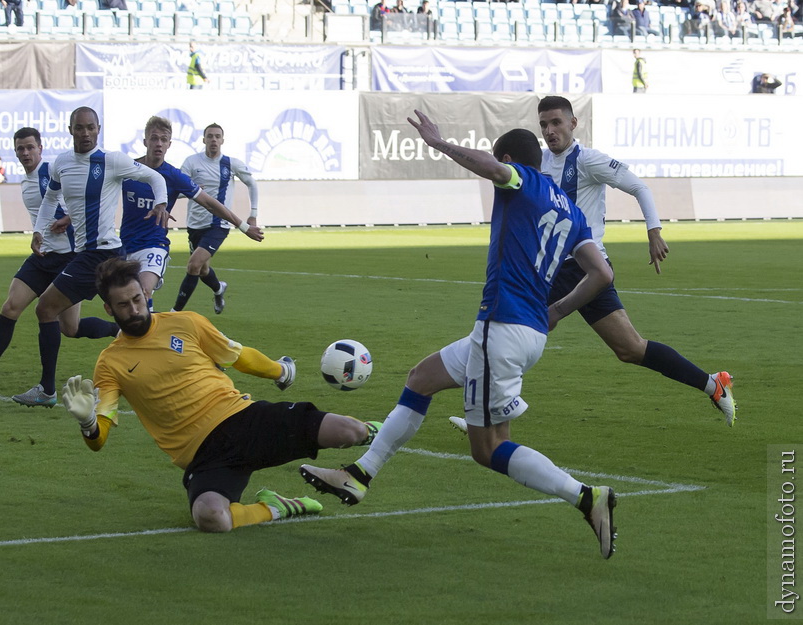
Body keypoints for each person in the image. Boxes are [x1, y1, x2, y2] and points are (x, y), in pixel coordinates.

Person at [300, 111, 619, 558]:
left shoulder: (521, 179)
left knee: (488, 449)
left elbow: (493, 169)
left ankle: (586, 497)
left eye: (500, 163)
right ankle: (359, 473)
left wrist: (439, 143)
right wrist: (560, 309)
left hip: (502, 327)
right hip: (525, 331)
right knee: (421, 378)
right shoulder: (571, 209)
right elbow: (602, 272)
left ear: (509, 159)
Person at [60, 258, 382, 532]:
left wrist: (279, 371)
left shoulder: (186, 323)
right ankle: (278, 507)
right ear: (108, 308)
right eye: (122, 305)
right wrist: (89, 422)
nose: (133, 310)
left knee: (349, 432)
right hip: (203, 456)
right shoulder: (110, 363)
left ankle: (387, 431)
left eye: (136, 299)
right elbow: (99, 437)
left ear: (145, 293)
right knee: (211, 517)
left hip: (242, 419)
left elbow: (236, 356)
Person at [527, 95, 736, 424]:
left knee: (629, 349)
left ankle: (714, 384)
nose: (549, 130)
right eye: (543, 125)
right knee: (515, 330)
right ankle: (487, 413)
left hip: (587, 270)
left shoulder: (588, 160)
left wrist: (653, 231)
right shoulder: (537, 160)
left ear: (572, 123)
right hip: (551, 268)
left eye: (555, 122)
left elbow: (639, 186)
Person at [11, 106, 169, 408]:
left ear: (98, 129)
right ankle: (166, 358)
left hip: (101, 253)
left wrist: (160, 203)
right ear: (71, 130)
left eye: (90, 128)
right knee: (80, 325)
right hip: (88, 255)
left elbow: (154, 177)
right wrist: (38, 231)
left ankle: (46, 390)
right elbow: (50, 199)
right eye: (79, 128)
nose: (85, 133)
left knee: (45, 310)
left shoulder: (111, 161)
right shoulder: (62, 164)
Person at [0, 128, 119, 387]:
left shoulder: (50, 173)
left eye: (30, 147)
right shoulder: (25, 180)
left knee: (71, 328)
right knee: (10, 307)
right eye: (20, 148)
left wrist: (65, 220)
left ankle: (116, 330)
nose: (25, 153)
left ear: (40, 148)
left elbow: (80, 205)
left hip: (68, 259)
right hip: (42, 259)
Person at [120, 115, 264, 312]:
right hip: (126, 245)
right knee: (127, 304)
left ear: (169, 144)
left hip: (154, 245)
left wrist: (244, 226)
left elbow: (210, 203)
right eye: (154, 138)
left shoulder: (173, 175)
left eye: (163, 140)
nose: (158, 144)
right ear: (145, 141)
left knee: (143, 292)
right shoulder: (126, 170)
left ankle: (173, 313)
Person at [172, 123, 258, 315]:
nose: (213, 140)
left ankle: (173, 313)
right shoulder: (192, 162)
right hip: (195, 224)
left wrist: (253, 213)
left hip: (219, 224)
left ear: (222, 140)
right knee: (202, 270)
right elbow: (175, 189)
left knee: (193, 264)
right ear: (204, 140)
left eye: (217, 136)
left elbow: (252, 184)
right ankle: (219, 289)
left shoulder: (230, 164)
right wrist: (190, 190)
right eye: (210, 136)